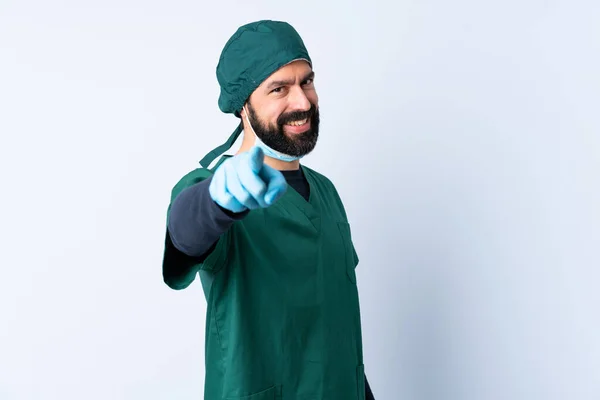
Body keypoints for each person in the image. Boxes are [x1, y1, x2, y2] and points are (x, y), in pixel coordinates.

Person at [162, 20, 375, 400]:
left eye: (306, 81)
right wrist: (215, 203)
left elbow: (338, 336)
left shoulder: (326, 192)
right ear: (243, 104)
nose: (303, 102)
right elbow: (183, 238)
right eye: (279, 88)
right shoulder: (215, 189)